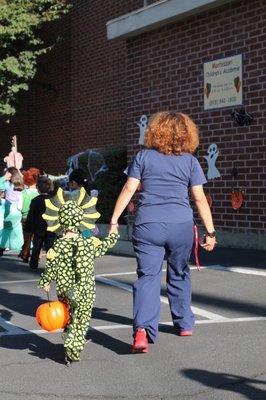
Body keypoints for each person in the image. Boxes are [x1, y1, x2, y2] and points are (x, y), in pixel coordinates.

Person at [109, 111, 216, 353]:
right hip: (181, 226)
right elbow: (199, 199)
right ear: (187, 135)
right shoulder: (190, 161)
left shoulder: (143, 157)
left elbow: (128, 189)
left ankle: (142, 331)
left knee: (147, 276)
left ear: (155, 132)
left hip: (148, 225)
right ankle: (184, 323)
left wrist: (114, 220)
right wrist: (210, 232)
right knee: (179, 272)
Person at [38, 187, 119, 365]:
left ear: (60, 220)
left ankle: (69, 341)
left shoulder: (58, 245)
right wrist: (113, 235)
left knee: (69, 316)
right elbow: (103, 246)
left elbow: (51, 265)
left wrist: (45, 282)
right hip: (86, 290)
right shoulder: (87, 241)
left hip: (66, 289)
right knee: (82, 319)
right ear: (80, 218)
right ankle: (74, 348)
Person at [25, 176, 56, 269]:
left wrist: (28, 227)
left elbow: (31, 216)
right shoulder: (53, 200)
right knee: (50, 246)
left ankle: (33, 263)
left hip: (38, 227)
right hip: (51, 226)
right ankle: (52, 264)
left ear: (38, 188)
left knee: (37, 246)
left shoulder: (35, 200)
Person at [0, 170, 24, 255]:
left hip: (7, 209)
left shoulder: (7, 185)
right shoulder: (20, 188)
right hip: (17, 211)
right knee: (17, 229)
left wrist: (3, 178)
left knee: (6, 229)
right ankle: (20, 247)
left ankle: (2, 246)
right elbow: (20, 203)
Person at [19, 168, 40, 262]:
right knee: (36, 238)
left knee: (26, 237)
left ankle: (25, 253)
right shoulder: (39, 193)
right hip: (38, 218)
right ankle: (37, 254)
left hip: (25, 217)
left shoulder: (23, 193)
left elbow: (19, 206)